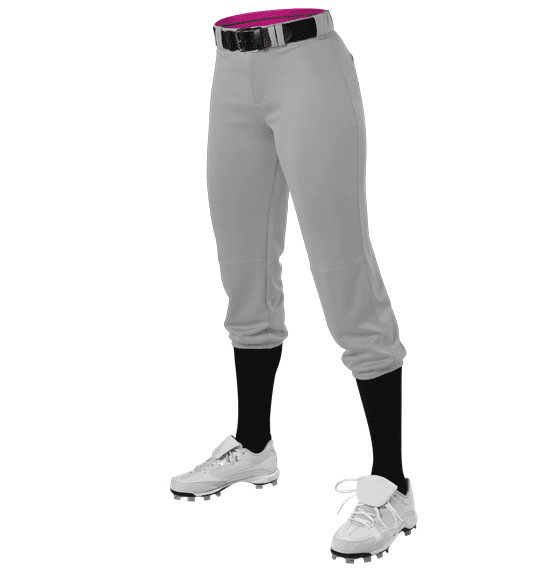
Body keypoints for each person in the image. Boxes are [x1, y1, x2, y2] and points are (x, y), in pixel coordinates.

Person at [170, 8, 418, 562]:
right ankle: (254, 445)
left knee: (342, 268)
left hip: (306, 63)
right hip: (230, 66)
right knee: (243, 269)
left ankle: (393, 485)